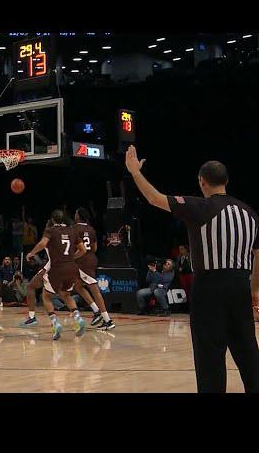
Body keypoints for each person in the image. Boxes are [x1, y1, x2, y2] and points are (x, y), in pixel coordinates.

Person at [125, 145, 259, 392]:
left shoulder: (199, 206)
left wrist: (135, 172)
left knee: (210, 354)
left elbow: (154, 198)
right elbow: (258, 253)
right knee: (248, 350)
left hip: (209, 287)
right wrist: (255, 289)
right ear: (226, 181)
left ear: (202, 181)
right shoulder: (249, 213)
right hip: (240, 286)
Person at [21, 211, 87, 340]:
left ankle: (55, 323)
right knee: (66, 294)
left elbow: (42, 244)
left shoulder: (50, 231)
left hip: (56, 268)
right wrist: (71, 258)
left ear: (52, 220)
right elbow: (83, 250)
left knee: (45, 296)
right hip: (72, 267)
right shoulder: (72, 230)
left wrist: (31, 253)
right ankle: (78, 318)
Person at [72, 207, 115, 329]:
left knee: (95, 291)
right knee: (78, 286)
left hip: (82, 261)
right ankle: (96, 311)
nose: (74, 215)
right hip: (92, 259)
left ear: (78, 216)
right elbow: (95, 248)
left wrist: (72, 257)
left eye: (75, 213)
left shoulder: (74, 229)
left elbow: (81, 250)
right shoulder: (91, 229)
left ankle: (108, 320)